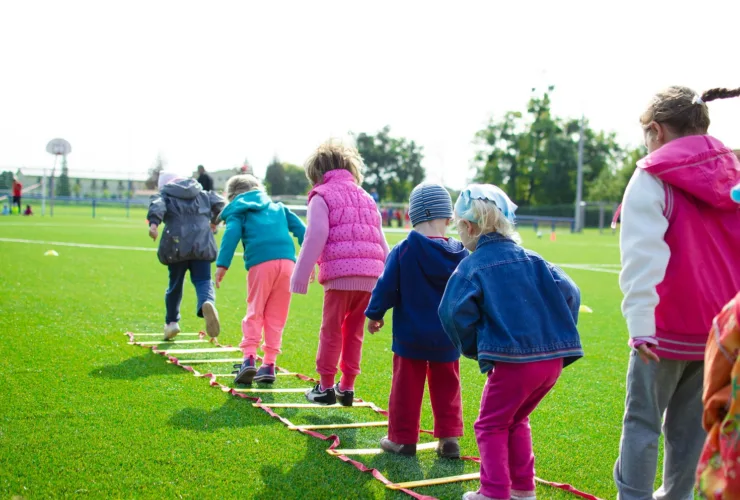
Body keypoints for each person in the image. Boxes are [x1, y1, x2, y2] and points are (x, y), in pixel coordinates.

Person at [614, 86, 740, 500]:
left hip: (664, 328)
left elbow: (641, 258)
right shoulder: (735, 171)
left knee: (642, 423)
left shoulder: (651, 175)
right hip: (721, 333)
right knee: (690, 428)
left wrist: (640, 325)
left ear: (656, 130)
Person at [439, 184, 582, 500]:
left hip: (514, 364)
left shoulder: (472, 265)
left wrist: (476, 348)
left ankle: (493, 492)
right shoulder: (534, 259)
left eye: (460, 228)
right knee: (516, 420)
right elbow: (571, 292)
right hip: (551, 364)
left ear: (470, 227)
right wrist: (557, 334)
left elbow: (451, 312)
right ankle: (522, 489)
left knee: (489, 425)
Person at [365, 183, 468, 459]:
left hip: (410, 336)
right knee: (448, 386)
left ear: (410, 216)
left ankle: (402, 439)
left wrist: (375, 314)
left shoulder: (403, 250)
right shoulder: (461, 254)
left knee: (405, 388)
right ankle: (449, 439)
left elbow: (385, 286)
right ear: (448, 219)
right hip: (448, 336)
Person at [291, 140, 389, 406]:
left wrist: (301, 273)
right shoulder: (366, 197)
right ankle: (346, 387)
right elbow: (381, 240)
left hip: (340, 276)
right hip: (371, 277)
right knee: (354, 332)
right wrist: (389, 280)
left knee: (331, 330)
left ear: (316, 173)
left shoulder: (321, 195)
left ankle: (324, 387)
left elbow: (316, 235)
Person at [215, 174, 306, 384]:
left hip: (261, 263)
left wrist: (222, 264)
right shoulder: (279, 208)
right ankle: (269, 364)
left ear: (232, 196)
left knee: (255, 310)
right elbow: (303, 231)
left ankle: (248, 359)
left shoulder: (239, 211)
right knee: (277, 315)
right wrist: (310, 260)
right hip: (288, 264)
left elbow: (231, 234)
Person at [147, 171, 225, 341]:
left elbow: (157, 205)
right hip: (202, 243)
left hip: (176, 245)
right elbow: (221, 204)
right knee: (204, 280)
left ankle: (172, 322)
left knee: (175, 284)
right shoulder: (202, 193)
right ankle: (207, 302)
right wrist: (214, 221)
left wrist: (153, 224)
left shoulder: (165, 195)